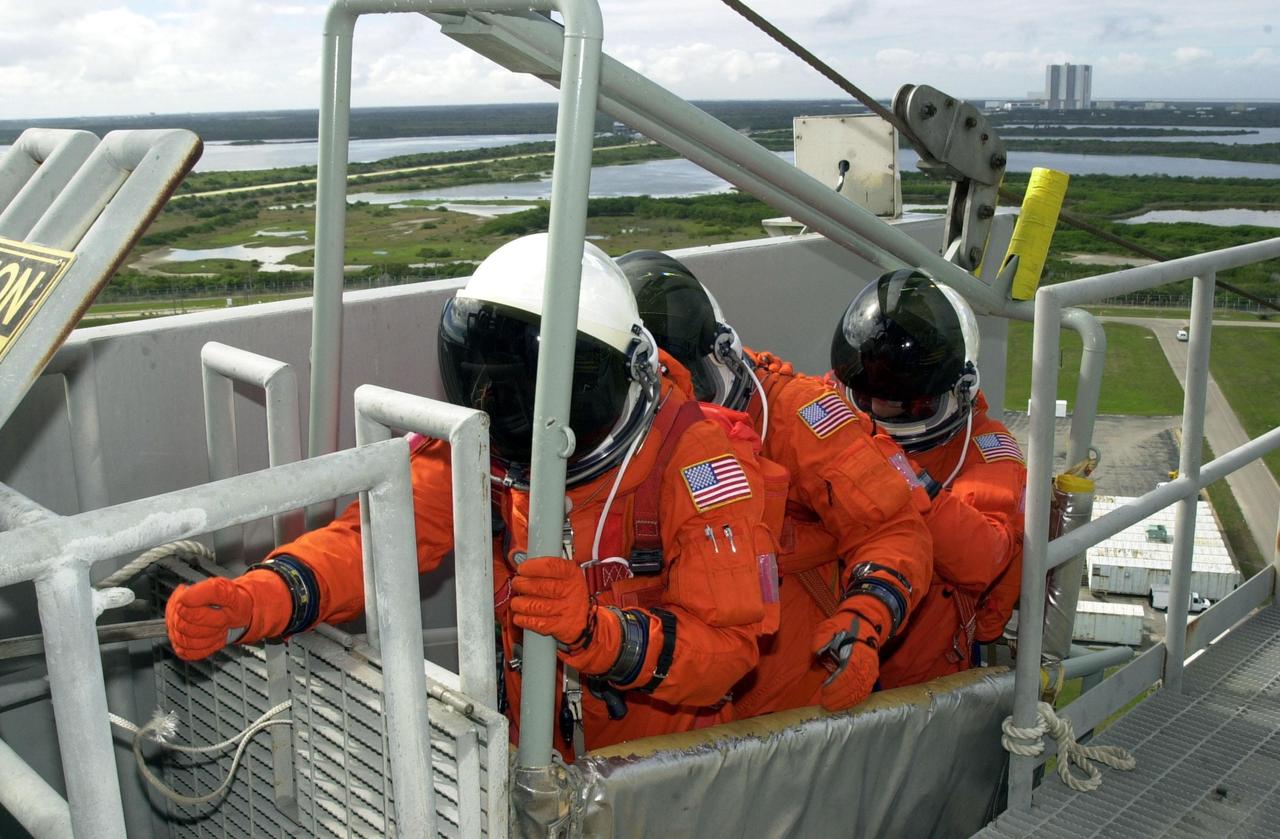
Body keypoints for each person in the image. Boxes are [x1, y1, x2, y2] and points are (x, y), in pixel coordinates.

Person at [165, 234, 779, 761]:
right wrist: (261, 597)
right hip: (529, 760)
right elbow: (377, 541)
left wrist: (597, 632)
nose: (509, 411)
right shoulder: (487, 446)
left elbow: (728, 653)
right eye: (491, 385)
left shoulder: (698, 461)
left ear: (607, 376)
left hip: (657, 776)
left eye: (527, 392)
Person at [619, 250, 932, 715]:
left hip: (798, 697)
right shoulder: (616, 434)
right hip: (679, 688)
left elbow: (891, 530)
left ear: (720, 357)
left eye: (687, 386)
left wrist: (866, 618)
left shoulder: (799, 417)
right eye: (663, 392)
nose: (676, 407)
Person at [828, 268, 1027, 689]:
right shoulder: (839, 404)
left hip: (923, 669)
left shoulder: (986, 450)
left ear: (956, 391)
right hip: (834, 639)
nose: (881, 413)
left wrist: (900, 477)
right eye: (868, 400)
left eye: (905, 406)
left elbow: (981, 558)